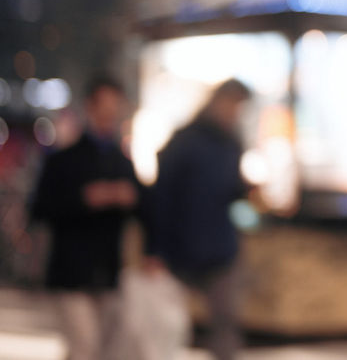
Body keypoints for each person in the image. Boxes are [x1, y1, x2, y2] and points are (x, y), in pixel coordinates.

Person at [28, 74, 140, 360]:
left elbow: (145, 208)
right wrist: (85, 199)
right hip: (70, 272)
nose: (110, 113)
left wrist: (128, 199)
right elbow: (40, 209)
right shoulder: (63, 159)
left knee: (98, 350)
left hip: (108, 272)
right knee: (84, 347)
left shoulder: (122, 161)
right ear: (90, 106)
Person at [147, 78, 252, 360]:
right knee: (169, 327)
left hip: (220, 249)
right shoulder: (185, 141)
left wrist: (244, 189)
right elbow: (162, 196)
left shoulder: (232, 143)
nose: (235, 113)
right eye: (232, 105)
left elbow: (228, 190)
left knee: (225, 325)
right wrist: (155, 249)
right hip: (181, 249)